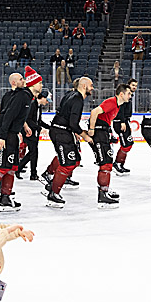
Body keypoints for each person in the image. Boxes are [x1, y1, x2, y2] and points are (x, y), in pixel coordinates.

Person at [0, 68, 41, 211]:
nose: (41, 85)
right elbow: (8, 115)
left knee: (11, 167)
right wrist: (2, 136)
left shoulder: (27, 96)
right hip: (5, 133)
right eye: (39, 83)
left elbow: (17, 115)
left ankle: (5, 199)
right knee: (3, 167)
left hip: (12, 133)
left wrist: (21, 128)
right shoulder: (22, 96)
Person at [40, 77, 93, 208]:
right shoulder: (77, 99)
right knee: (68, 163)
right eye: (91, 85)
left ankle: (52, 182)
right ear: (84, 85)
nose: (92, 88)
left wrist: (76, 131)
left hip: (63, 131)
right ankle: (53, 193)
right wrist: (85, 135)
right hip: (61, 132)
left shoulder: (70, 94)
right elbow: (73, 123)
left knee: (75, 160)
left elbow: (68, 119)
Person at [86, 84, 133, 207]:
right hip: (99, 133)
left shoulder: (117, 106)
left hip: (104, 132)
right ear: (121, 94)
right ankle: (102, 195)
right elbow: (94, 111)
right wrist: (91, 129)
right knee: (105, 163)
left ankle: (105, 189)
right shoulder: (112, 102)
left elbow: (105, 118)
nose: (131, 96)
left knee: (107, 162)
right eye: (129, 93)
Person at [18, 88, 49, 180]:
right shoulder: (32, 105)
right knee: (33, 152)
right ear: (42, 97)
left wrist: (49, 127)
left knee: (33, 152)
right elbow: (28, 120)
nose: (47, 102)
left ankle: (20, 169)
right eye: (46, 100)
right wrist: (39, 128)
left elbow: (38, 121)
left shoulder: (38, 106)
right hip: (28, 132)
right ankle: (32, 173)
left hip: (34, 132)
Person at [112, 78, 138, 175]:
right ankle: (117, 164)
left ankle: (120, 164)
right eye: (133, 85)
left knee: (128, 143)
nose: (134, 87)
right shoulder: (124, 96)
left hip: (125, 121)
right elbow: (120, 108)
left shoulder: (129, 96)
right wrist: (122, 121)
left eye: (135, 86)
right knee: (126, 144)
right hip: (120, 122)